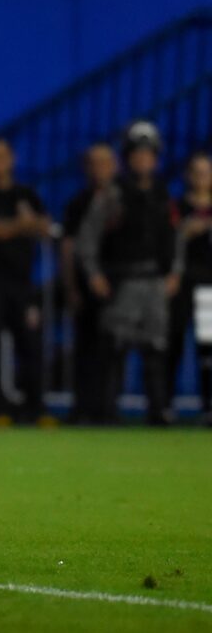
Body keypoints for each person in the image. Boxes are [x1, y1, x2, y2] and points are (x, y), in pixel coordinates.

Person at [77, 120, 180, 426]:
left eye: (148, 154)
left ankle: (158, 411)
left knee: (156, 349)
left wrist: (174, 273)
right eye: (137, 154)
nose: (143, 160)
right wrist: (94, 274)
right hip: (121, 281)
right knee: (114, 347)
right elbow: (88, 238)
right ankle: (108, 412)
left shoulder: (163, 195)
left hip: (154, 282)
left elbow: (176, 239)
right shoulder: (112, 195)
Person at [0, 137, 54, 427]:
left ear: (12, 159)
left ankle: (35, 407)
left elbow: (44, 226)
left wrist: (22, 226)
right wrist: (20, 225)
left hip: (22, 283)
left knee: (31, 344)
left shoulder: (26, 194)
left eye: (2, 156)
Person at [61, 143, 119, 424]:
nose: (99, 169)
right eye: (93, 163)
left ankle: (108, 409)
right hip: (87, 286)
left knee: (112, 349)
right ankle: (83, 407)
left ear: (115, 166)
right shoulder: (77, 203)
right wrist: (72, 287)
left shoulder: (124, 200)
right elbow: (69, 247)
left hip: (119, 285)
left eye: (104, 162)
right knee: (85, 348)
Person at [167, 152, 212, 426]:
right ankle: (165, 403)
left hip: (210, 287)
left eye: (206, 172)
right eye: (196, 172)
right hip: (182, 282)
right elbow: (168, 240)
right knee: (174, 342)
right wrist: (186, 230)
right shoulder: (177, 207)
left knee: (208, 348)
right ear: (187, 176)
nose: (201, 177)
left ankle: (209, 405)